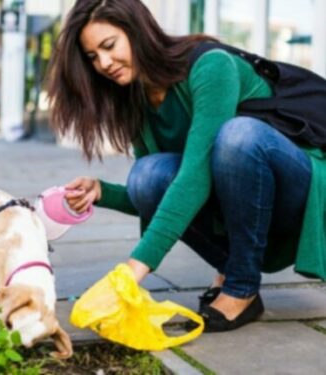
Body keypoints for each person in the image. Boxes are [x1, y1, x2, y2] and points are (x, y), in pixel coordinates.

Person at [46, 0, 325, 332]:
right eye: (93, 57)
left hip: (296, 190)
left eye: (109, 45)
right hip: (244, 206)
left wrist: (134, 270)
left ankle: (240, 286)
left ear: (138, 31)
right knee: (146, 175)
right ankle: (235, 269)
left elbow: (195, 176)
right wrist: (101, 192)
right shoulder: (138, 100)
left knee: (237, 136)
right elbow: (161, 195)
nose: (104, 63)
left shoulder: (211, 66)